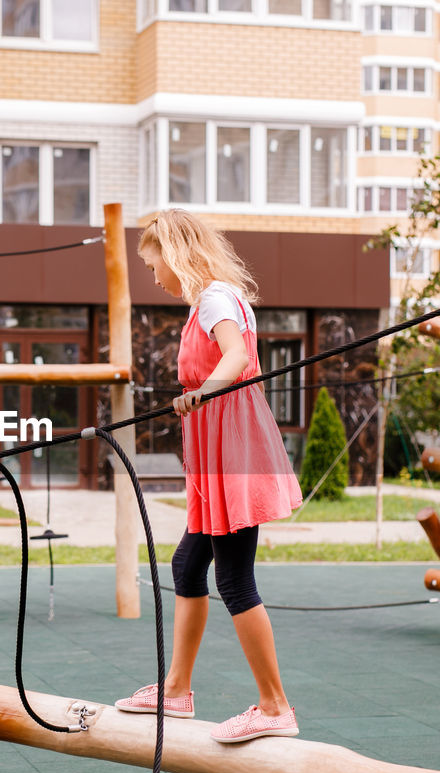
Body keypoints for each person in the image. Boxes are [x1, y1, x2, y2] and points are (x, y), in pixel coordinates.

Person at [115, 209, 303, 743]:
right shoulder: (207, 301)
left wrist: (204, 390)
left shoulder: (216, 298)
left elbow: (238, 355)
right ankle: (175, 691)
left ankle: (274, 707)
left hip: (234, 453)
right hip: (218, 452)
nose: (154, 277)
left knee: (234, 578)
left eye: (155, 266)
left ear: (175, 254)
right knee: (188, 563)